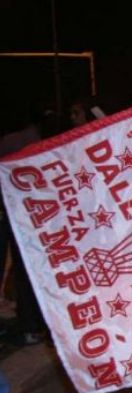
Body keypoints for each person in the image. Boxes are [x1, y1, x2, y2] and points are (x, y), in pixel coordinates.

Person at [0, 104, 58, 345]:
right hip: (31, 219)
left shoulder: (12, 141)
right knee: (35, 273)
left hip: (21, 217)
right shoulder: (45, 145)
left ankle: (31, 324)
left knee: (26, 274)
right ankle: (36, 324)